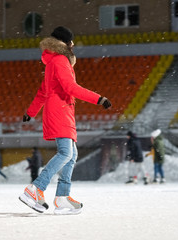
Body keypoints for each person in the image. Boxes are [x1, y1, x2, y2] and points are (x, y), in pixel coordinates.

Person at [19, 26, 111, 215]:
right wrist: (98, 98)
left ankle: (62, 197)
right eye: (71, 41)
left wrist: (31, 111)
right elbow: (71, 87)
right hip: (60, 110)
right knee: (65, 153)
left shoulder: (53, 61)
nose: (74, 45)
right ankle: (35, 189)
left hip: (61, 109)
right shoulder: (60, 60)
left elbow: (43, 91)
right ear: (65, 43)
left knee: (71, 154)